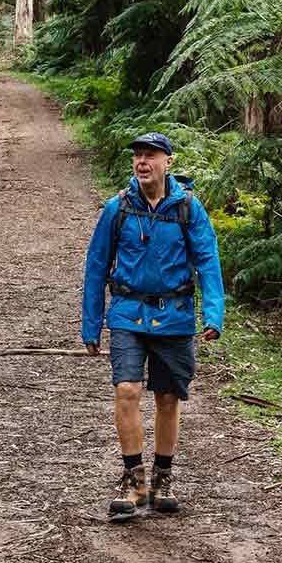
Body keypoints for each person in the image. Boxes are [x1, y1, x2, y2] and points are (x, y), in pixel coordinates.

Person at [82, 132, 225, 518]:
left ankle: (163, 477)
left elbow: (208, 262)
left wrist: (213, 314)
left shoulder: (188, 209)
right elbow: (97, 266)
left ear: (168, 162)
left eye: (150, 156)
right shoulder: (118, 209)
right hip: (128, 313)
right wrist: (91, 324)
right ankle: (134, 479)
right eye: (138, 156)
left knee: (167, 398)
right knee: (127, 390)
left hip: (175, 316)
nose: (142, 162)